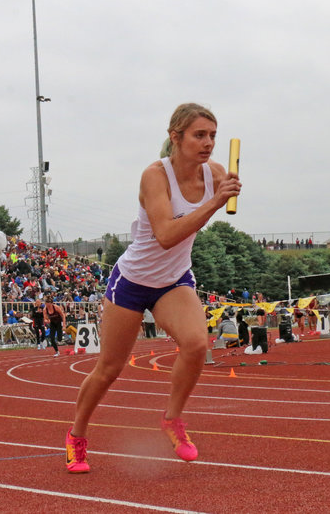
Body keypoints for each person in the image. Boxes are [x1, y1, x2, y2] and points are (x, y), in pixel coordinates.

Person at [66, 103, 241, 473]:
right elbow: (165, 235)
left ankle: (172, 419)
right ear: (175, 137)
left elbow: (187, 234)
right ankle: (77, 436)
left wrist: (219, 194)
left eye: (212, 135)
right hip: (132, 281)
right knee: (109, 368)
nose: (208, 142)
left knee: (196, 344)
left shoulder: (215, 174)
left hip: (174, 280)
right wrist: (215, 201)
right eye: (199, 135)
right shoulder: (154, 176)